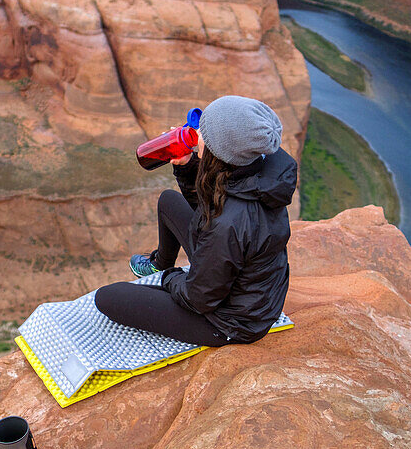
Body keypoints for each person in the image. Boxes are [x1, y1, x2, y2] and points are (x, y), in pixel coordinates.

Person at [95, 95, 297, 346]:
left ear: (220, 151)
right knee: (169, 201)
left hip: (231, 321)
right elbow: (210, 212)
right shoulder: (255, 171)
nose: (196, 132)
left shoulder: (230, 222)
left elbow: (199, 297)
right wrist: (187, 167)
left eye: (204, 131)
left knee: (108, 297)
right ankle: (159, 263)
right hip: (241, 283)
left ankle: (163, 271)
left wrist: (171, 278)